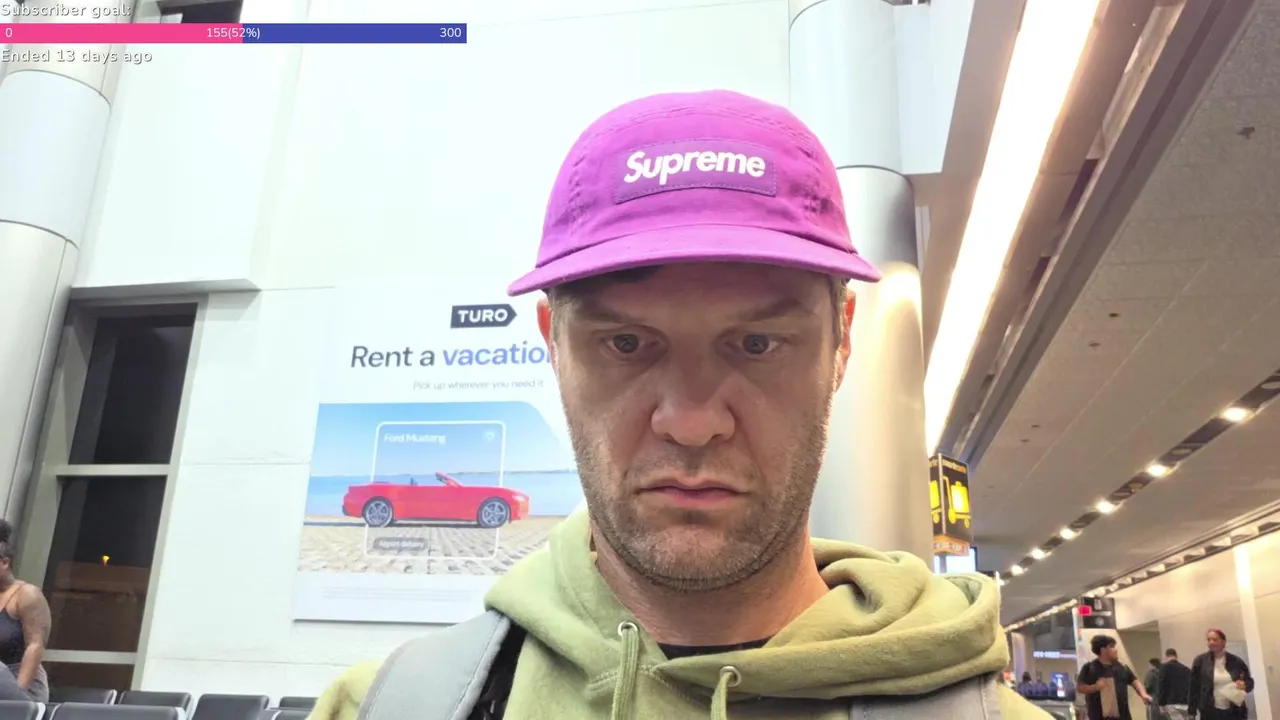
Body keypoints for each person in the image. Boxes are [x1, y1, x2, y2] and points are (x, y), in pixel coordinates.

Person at [312, 90, 1051, 719]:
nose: (693, 422)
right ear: (553, 345)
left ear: (841, 343)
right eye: (627, 344)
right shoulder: (385, 707)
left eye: (757, 344)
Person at [0, 521, 50, 702]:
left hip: (20, 682)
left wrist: (17, 696)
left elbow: (35, 647)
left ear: (4, 563)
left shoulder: (27, 594)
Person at [1077, 634, 1153, 720]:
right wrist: (1095, 687)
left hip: (1123, 717)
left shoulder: (1121, 667)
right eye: (1112, 646)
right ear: (1103, 650)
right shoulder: (1089, 668)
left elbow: (1134, 681)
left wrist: (1143, 694)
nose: (1116, 650)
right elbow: (1080, 687)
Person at [1187, 629, 1253, 719]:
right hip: (1210, 712)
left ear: (1223, 642)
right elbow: (1193, 687)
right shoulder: (1200, 661)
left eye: (1215, 639)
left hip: (1235, 711)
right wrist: (1192, 711)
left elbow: (1249, 681)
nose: (1211, 642)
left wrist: (1245, 685)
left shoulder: (1236, 661)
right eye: (1209, 640)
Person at [1157, 648, 1192, 717]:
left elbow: (1161, 686)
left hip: (1172, 703)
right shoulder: (1186, 669)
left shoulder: (1164, 668)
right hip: (1186, 703)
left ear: (1166, 656)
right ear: (1176, 656)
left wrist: (1161, 704)